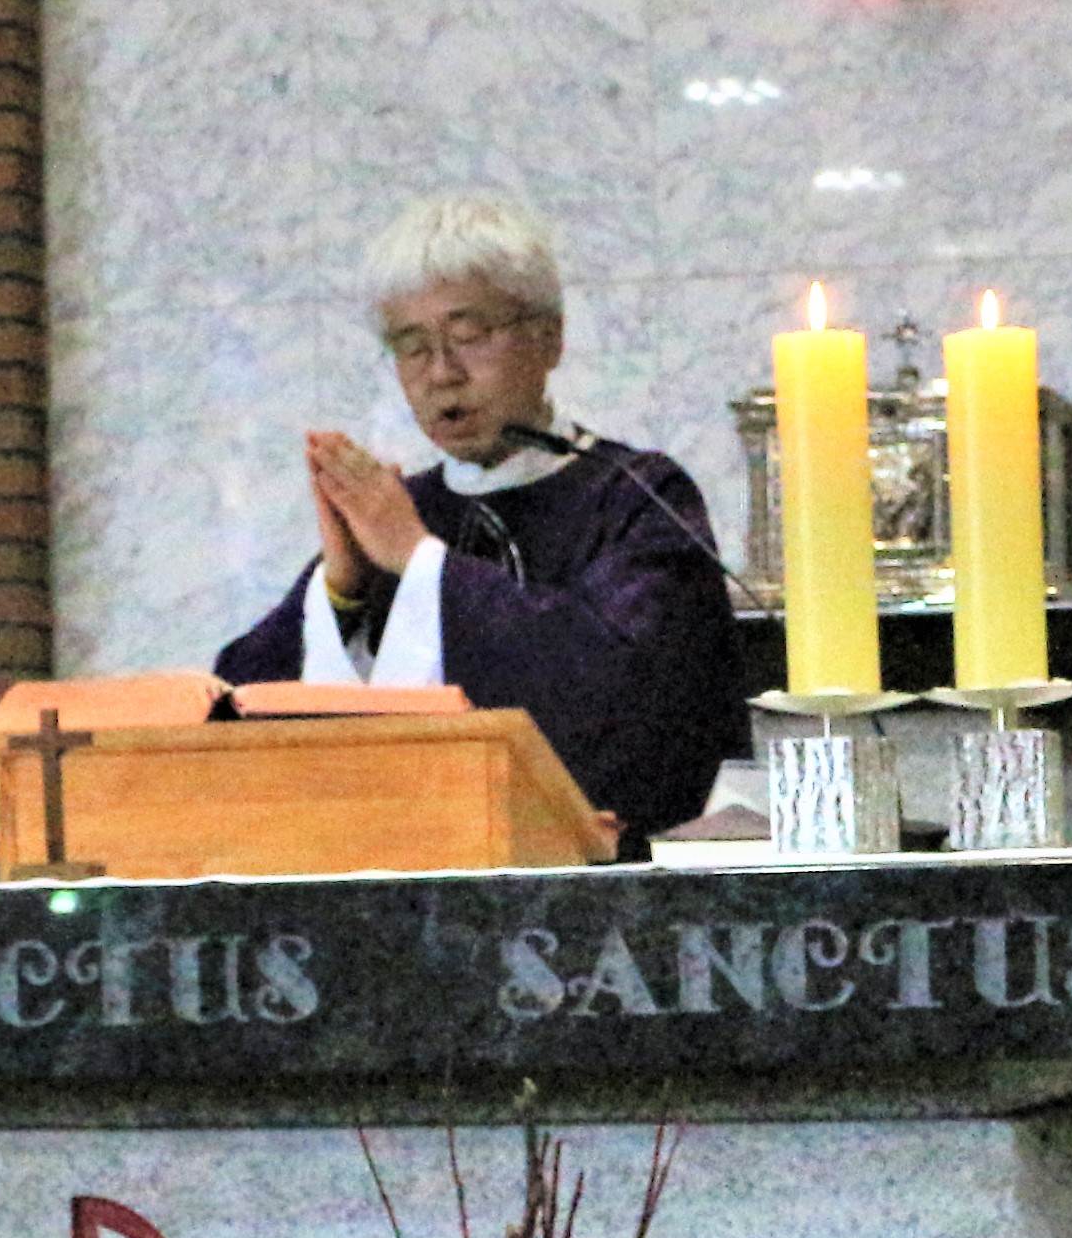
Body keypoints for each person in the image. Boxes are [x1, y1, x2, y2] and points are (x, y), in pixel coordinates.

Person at [215, 197, 742, 850]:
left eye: (468, 336)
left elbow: (630, 704)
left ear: (549, 338)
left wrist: (425, 566)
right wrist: (340, 593)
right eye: (412, 347)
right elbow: (232, 709)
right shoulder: (399, 514)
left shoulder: (637, 496)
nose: (442, 373)